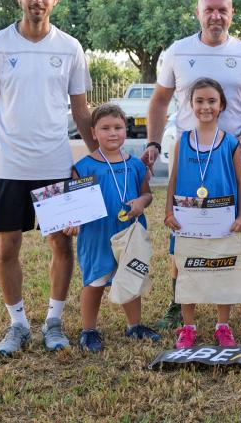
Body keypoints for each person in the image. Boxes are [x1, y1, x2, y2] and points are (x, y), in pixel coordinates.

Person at [0, 0, 96, 356]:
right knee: (7, 247)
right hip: (8, 166)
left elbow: (82, 111)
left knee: (61, 244)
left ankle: (54, 322)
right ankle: (19, 325)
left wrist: (100, 157)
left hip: (55, 164)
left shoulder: (70, 47)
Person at [145, 0, 241, 331]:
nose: (216, 16)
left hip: (234, 160)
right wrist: (153, 142)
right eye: (209, 10)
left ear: (232, 13)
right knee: (184, 230)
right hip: (191, 163)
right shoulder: (178, 51)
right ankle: (177, 301)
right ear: (198, 13)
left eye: (222, 10)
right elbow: (159, 101)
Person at [64, 104, 160, 352]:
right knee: (95, 280)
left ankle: (134, 325)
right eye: (105, 128)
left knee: (130, 276)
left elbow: (147, 194)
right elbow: (74, 205)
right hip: (96, 234)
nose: (113, 133)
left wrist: (141, 202)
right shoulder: (83, 167)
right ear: (93, 133)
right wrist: (72, 221)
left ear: (125, 130)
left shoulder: (136, 165)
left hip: (129, 231)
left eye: (118, 127)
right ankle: (88, 330)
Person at [164, 78, 241, 348]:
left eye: (212, 101)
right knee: (186, 269)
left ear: (222, 105)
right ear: (191, 104)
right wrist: (168, 211)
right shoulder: (182, 140)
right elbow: (174, 178)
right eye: (199, 100)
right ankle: (188, 326)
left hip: (222, 220)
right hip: (187, 221)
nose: (205, 106)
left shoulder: (230, 142)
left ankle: (223, 325)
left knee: (223, 268)